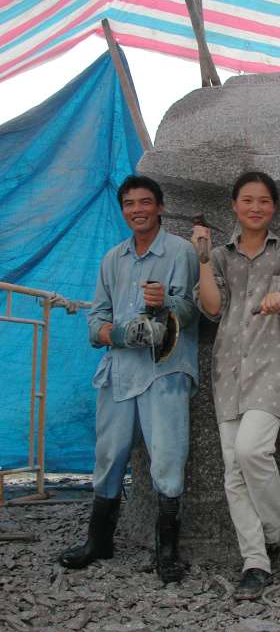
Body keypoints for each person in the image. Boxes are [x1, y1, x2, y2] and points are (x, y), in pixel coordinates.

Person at [58, 175, 199, 583]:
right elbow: (95, 319)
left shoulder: (181, 251)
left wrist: (165, 304)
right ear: (123, 210)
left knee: (168, 459)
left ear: (159, 206)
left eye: (145, 202)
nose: (137, 210)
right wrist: (116, 334)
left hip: (165, 372)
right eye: (129, 204)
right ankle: (99, 541)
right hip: (119, 370)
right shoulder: (112, 259)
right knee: (109, 456)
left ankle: (167, 552)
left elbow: (192, 312)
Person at [192, 171, 280, 600]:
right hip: (228, 370)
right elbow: (211, 308)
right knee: (232, 470)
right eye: (247, 200)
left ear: (274, 207)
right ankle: (255, 559)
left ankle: (272, 527)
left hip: (275, 369)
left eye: (264, 201)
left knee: (251, 450)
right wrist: (203, 260)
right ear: (234, 205)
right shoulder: (220, 256)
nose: (255, 207)